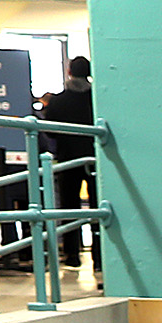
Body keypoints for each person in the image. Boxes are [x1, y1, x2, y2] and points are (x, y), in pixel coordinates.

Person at [36, 56, 95, 268]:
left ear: (69, 71)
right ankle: (99, 258)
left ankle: (72, 255)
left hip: (68, 159)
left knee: (70, 208)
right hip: (95, 160)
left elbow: (49, 131)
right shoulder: (96, 99)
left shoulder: (59, 101)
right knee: (97, 209)